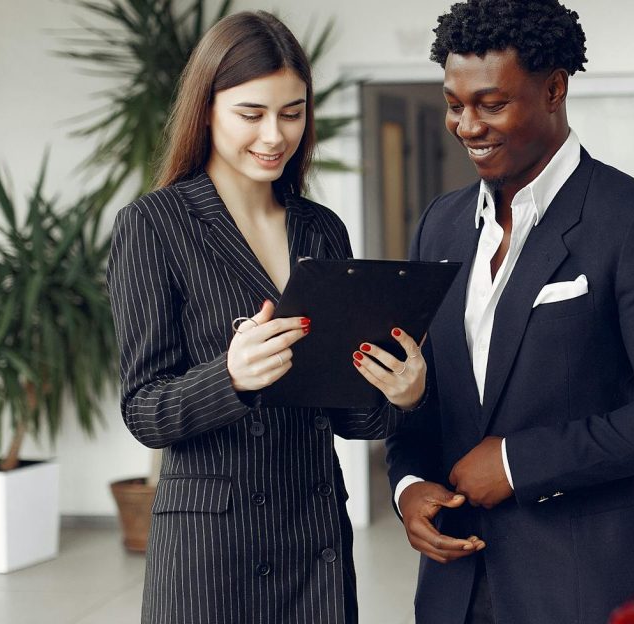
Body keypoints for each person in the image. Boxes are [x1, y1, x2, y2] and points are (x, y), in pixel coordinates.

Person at [384, 1, 634, 622]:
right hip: (455, 585)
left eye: (491, 104)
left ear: (553, 89)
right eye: (454, 104)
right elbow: (427, 394)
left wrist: (520, 463)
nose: (467, 125)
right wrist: (409, 487)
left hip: (585, 580)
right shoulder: (441, 224)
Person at [106, 11, 425, 624]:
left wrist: (401, 393)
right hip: (211, 553)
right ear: (207, 110)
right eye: (251, 114)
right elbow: (144, 410)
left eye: (292, 112)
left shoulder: (320, 229)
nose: (275, 135)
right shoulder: (154, 225)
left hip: (315, 538)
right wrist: (230, 376)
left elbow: (351, 413)